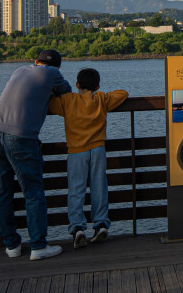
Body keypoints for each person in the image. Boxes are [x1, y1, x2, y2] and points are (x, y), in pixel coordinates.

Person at [0, 49, 71, 261]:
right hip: (22, 137)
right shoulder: (53, 73)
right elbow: (67, 92)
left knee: (1, 192)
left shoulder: (19, 70)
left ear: (35, 61)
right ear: (58, 67)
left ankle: (12, 246)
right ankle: (38, 246)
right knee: (33, 192)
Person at [48, 67, 128, 248]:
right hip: (98, 149)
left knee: (76, 190)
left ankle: (78, 228)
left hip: (76, 151)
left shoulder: (68, 100)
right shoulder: (101, 99)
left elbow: (51, 103)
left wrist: (55, 91)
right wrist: (102, 93)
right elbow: (123, 93)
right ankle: (100, 224)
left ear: (77, 84)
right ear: (98, 86)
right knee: (99, 187)